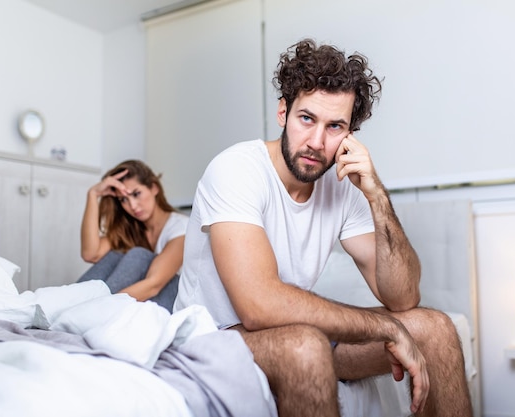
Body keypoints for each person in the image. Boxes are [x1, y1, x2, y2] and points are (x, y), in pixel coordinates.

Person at [173, 39, 472, 416]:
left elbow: (402, 298)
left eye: (335, 127)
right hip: (211, 341)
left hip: (298, 332)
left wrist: (376, 195)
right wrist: (384, 329)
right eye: (306, 118)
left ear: (350, 135)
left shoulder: (344, 187)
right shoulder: (237, 169)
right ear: (283, 112)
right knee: (304, 345)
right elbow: (258, 306)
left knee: (436, 328)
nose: (316, 142)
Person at [78, 160, 187, 313]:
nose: (133, 206)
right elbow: (91, 254)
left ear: (154, 188)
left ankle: (80, 312)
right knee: (116, 255)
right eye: (124, 200)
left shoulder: (181, 227)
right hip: (140, 303)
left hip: (176, 302)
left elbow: (153, 285)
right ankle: (69, 307)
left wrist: (97, 307)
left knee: (139, 255)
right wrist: (92, 194)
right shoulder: (133, 229)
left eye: (136, 194)